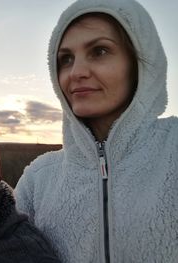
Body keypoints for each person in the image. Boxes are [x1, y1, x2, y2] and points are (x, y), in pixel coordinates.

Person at [14, 0, 178, 262]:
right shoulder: (37, 180)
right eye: (65, 59)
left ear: (139, 63)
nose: (76, 72)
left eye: (100, 51)